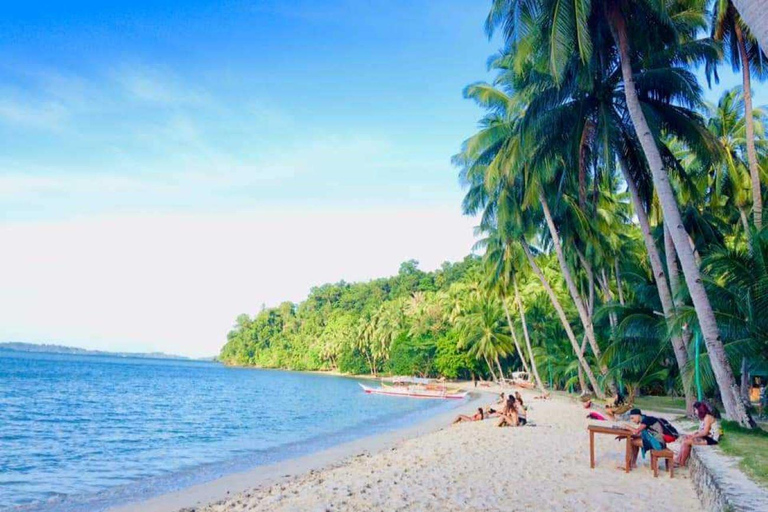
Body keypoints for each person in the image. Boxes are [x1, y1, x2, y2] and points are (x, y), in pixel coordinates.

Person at [676, 401, 722, 466]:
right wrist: (693, 435)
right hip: (707, 437)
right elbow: (700, 431)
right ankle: (678, 460)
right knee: (685, 439)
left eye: (695, 410)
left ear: (699, 410)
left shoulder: (707, 418)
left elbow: (705, 432)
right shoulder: (702, 418)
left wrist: (694, 437)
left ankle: (681, 463)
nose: (695, 411)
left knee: (686, 442)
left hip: (712, 439)